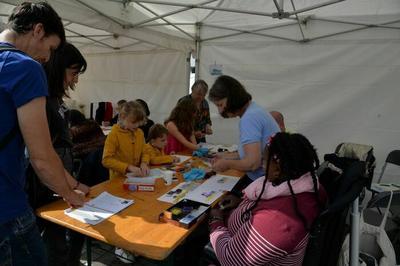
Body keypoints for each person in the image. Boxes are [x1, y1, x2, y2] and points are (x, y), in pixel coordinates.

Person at [0, 2, 84, 265]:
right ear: (38, 30)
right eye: (51, 48)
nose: (48, 58)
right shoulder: (26, 67)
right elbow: (41, 156)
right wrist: (72, 196)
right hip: (7, 210)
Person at [208, 132, 326, 265]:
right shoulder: (301, 184)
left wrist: (216, 221)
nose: (261, 166)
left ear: (277, 168)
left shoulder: (279, 220)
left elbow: (230, 260)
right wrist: (241, 202)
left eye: (264, 160)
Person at [41, 42, 90, 266]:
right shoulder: (44, 102)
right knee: (55, 245)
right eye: (73, 73)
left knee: (61, 240)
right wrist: (73, 186)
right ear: (57, 68)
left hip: (60, 183)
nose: (75, 80)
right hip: (48, 189)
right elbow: (46, 155)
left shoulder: (55, 100)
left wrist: (72, 184)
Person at [208, 75, 280, 189]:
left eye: (220, 105)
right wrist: (227, 156)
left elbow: (253, 163)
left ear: (232, 98)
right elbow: (253, 153)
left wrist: (227, 164)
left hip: (262, 183)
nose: (220, 111)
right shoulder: (254, 110)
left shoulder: (249, 118)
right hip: (264, 180)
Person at [102, 101, 149, 179]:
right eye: (133, 122)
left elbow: (145, 152)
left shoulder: (140, 133)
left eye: (139, 123)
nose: (137, 125)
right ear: (123, 117)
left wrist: (144, 163)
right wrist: (128, 167)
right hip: (118, 178)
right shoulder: (114, 134)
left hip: (138, 176)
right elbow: (106, 160)